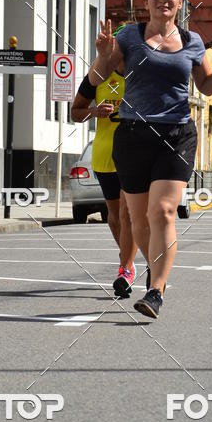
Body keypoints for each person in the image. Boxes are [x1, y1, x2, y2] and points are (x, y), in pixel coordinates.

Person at [89, 0, 212, 319]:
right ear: (145, 2)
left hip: (175, 135)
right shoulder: (128, 36)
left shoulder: (192, 41)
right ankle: (154, 268)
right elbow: (98, 78)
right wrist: (102, 55)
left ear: (180, 2)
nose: (164, 0)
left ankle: (156, 291)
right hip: (131, 135)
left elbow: (206, 87)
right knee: (140, 219)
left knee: (162, 212)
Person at [71, 50, 138, 297]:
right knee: (114, 215)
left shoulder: (141, 77)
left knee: (128, 211)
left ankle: (126, 269)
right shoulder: (97, 78)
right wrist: (94, 112)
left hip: (133, 153)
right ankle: (127, 259)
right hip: (104, 153)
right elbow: (75, 112)